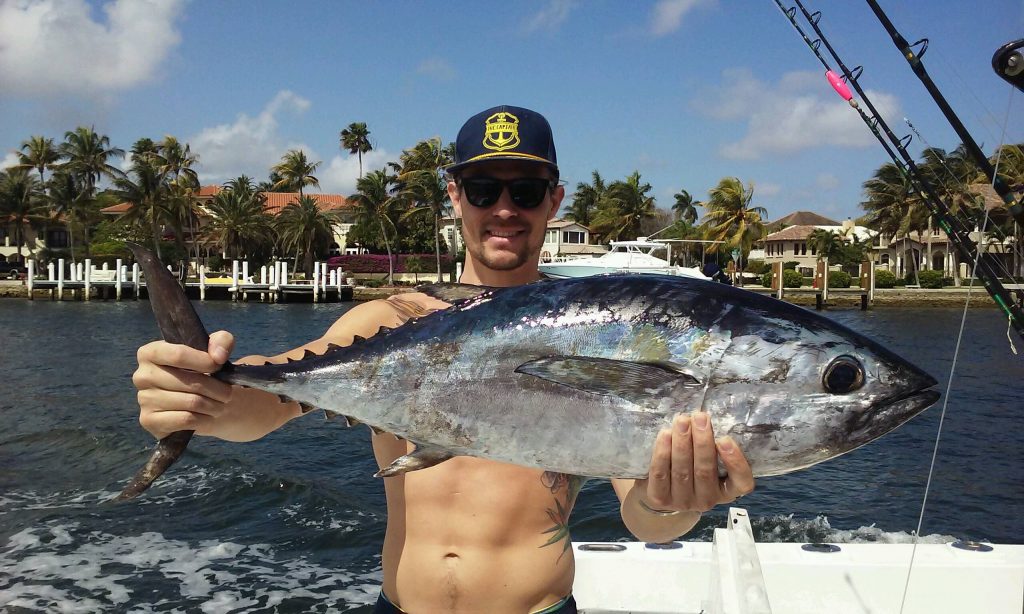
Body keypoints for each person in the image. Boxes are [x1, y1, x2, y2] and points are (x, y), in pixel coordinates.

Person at [133, 105, 756, 613]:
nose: (504, 208)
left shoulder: (597, 334)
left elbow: (642, 518)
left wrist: (673, 500)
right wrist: (198, 397)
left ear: (555, 199)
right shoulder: (388, 321)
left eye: (527, 190)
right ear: (455, 195)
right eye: (484, 189)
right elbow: (260, 408)